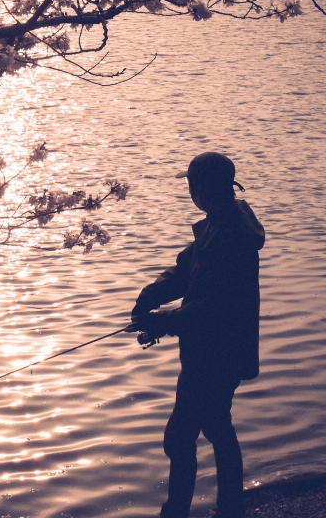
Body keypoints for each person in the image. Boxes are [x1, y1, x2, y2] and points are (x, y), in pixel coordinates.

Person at [131, 152, 265, 518]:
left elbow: (209, 310)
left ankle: (179, 512)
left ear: (200, 189)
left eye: (191, 185)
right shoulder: (219, 225)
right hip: (213, 351)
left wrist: (161, 323)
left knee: (181, 435)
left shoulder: (232, 237)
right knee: (217, 425)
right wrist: (151, 294)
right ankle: (229, 509)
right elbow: (185, 270)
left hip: (217, 353)